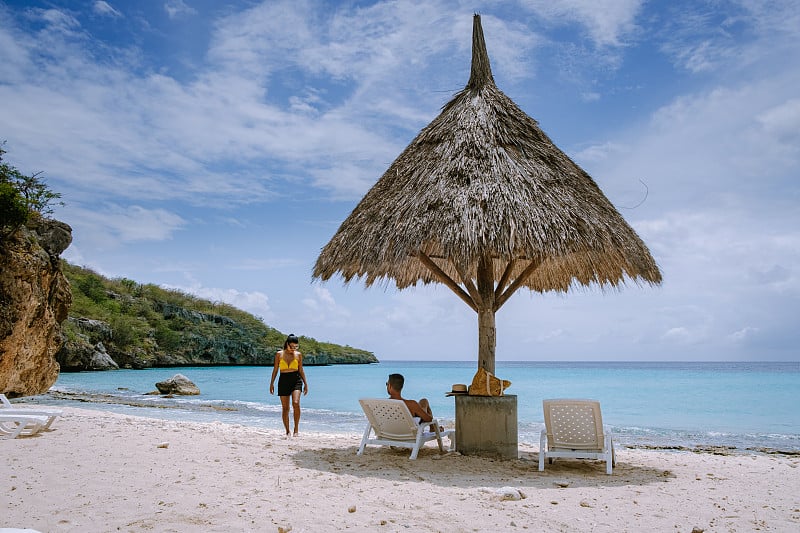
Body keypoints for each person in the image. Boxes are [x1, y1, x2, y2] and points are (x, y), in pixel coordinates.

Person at [269, 333, 308, 436]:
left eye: (296, 346)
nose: (293, 348)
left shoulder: (298, 355)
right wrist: (271, 383)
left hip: (296, 380)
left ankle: (296, 429)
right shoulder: (279, 354)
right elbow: (275, 370)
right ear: (287, 344)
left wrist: (306, 383)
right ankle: (287, 431)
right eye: (292, 346)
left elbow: (301, 370)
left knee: (296, 403)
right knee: (285, 408)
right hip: (283, 380)